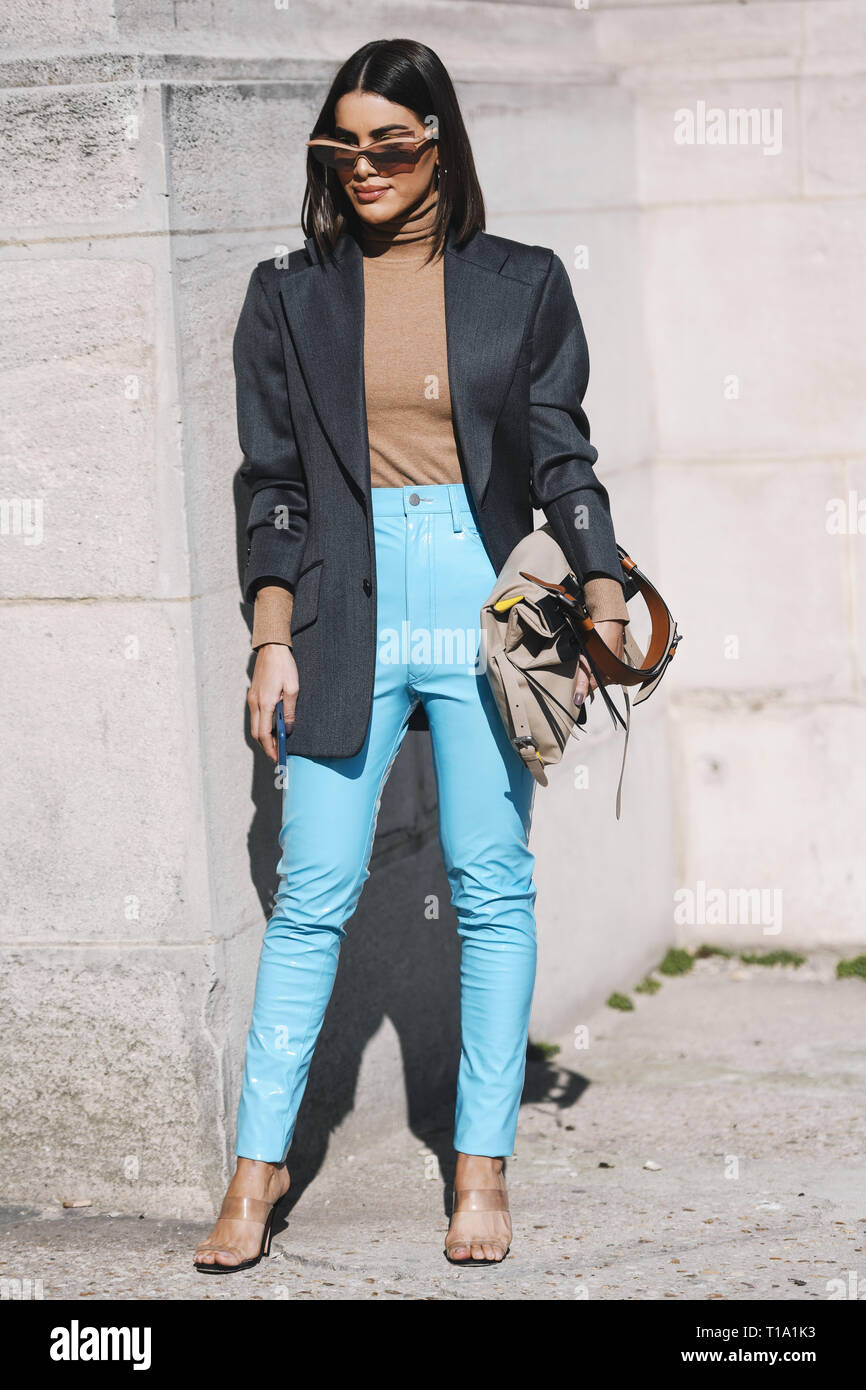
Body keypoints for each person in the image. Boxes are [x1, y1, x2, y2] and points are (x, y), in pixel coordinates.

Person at [194, 36, 629, 1274]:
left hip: (481, 593)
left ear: (438, 144)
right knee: (311, 891)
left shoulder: (522, 282)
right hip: (345, 594)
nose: (367, 167)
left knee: (490, 880)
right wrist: (269, 634)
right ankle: (255, 1169)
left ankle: (479, 1165)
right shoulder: (289, 293)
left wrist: (597, 578)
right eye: (347, 146)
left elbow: (560, 454)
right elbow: (269, 482)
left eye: (392, 143)